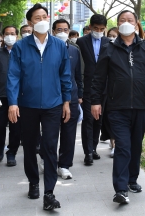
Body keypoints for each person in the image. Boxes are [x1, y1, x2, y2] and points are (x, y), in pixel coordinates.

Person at [91, 10, 145, 205]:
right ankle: (120, 189)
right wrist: (95, 101)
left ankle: (132, 179)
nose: (125, 23)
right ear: (117, 25)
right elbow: (99, 78)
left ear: (136, 24)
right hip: (117, 108)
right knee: (123, 147)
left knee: (135, 145)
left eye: (129, 20)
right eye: (122, 21)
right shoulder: (108, 49)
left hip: (142, 106)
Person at [7, 3, 72, 211]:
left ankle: (49, 192)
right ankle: (33, 181)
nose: (42, 20)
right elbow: (13, 76)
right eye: (37, 17)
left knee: (50, 147)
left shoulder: (60, 45)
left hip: (53, 104)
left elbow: (65, 75)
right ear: (29, 22)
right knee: (29, 146)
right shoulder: (20, 46)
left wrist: (66, 101)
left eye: (45, 16)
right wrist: (13, 102)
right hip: (28, 105)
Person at [76, 14, 109, 165]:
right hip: (87, 86)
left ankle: (94, 147)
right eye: (96, 28)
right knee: (88, 119)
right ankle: (87, 152)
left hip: (103, 87)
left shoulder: (109, 43)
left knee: (98, 119)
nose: (99, 31)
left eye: (102, 29)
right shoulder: (81, 42)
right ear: (90, 27)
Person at [52, 19, 83, 180]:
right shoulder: (47, 50)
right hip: (52, 98)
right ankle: (47, 158)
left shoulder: (74, 51)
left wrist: (79, 96)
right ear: (53, 32)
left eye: (65, 29)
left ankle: (64, 165)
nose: (62, 33)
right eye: (59, 29)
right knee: (50, 133)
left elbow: (78, 75)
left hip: (71, 96)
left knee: (69, 133)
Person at [0, 26, 21, 166]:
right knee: (1, 125)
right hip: (1, 95)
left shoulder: (22, 51)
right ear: (2, 36)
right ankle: (0, 147)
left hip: (17, 96)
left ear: (17, 36)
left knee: (15, 126)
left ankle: (12, 152)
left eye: (13, 34)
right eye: (7, 34)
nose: (10, 36)